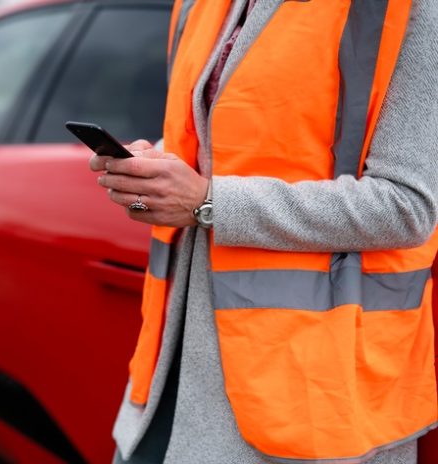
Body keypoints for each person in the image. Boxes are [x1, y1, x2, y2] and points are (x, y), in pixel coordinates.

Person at [89, 0, 438, 463]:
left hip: (312, 398)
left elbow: (407, 205)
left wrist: (210, 202)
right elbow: (210, 144)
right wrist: (150, 173)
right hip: (167, 377)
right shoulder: (199, 5)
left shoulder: (405, 8)